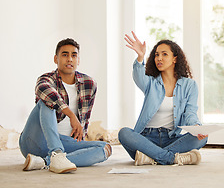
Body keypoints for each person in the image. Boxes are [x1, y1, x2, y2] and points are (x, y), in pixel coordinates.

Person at [19, 38, 112, 174]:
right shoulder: (46, 79)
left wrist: (80, 141)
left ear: (78, 60)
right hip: (36, 139)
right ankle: (56, 152)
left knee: (105, 148)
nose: (69, 59)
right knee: (46, 102)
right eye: (65, 55)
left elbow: (85, 118)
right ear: (56, 59)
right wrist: (70, 114)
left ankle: (45, 162)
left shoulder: (89, 84)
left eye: (74, 55)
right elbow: (44, 90)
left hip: (66, 142)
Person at [118, 31, 208, 166]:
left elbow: (190, 112)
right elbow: (138, 75)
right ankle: (171, 158)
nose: (159, 58)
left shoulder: (189, 85)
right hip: (145, 139)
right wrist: (140, 57)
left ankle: (151, 158)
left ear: (175, 59)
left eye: (164, 54)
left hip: (171, 138)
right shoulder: (150, 83)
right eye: (156, 55)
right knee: (124, 133)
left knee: (202, 139)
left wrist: (196, 127)